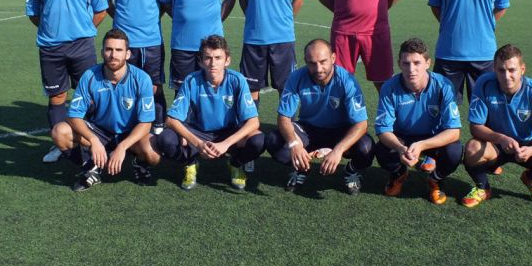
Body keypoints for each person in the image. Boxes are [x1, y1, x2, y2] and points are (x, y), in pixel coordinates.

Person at [25, 0, 108, 163]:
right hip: (51, 48)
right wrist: (52, 30)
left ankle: (93, 143)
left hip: (82, 46)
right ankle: (60, 144)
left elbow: (101, 9)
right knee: (57, 97)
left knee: (89, 97)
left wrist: (83, 29)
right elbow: (34, 14)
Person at [461, 44, 532, 208]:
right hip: (496, 145)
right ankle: (483, 188)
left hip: (528, 144)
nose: (506, 76)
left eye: (512, 70)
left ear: (522, 69)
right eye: (501, 70)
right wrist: (501, 138)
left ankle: (531, 177)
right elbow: (475, 127)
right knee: (472, 148)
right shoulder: (484, 84)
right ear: (494, 69)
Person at [50, 29, 160, 191]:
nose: (113, 55)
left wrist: (122, 147)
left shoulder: (141, 79)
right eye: (109, 49)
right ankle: (91, 168)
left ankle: (139, 164)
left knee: (153, 153)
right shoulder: (89, 76)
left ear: (127, 54)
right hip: (99, 131)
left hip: (129, 133)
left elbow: (146, 123)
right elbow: (74, 116)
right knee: (60, 132)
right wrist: (93, 140)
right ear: (102, 52)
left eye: (118, 50)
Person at [153, 35, 265, 191]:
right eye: (208, 58)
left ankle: (235, 163)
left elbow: (253, 122)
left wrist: (225, 144)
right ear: (200, 61)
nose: (213, 63)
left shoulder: (237, 80)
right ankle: (190, 163)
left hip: (228, 132)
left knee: (259, 140)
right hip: (198, 132)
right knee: (165, 138)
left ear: (227, 60)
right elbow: (171, 120)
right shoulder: (192, 80)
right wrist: (198, 144)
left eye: (218, 58)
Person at [265, 39, 374, 195]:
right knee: (274, 140)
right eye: (312, 63)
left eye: (323, 62)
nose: (318, 69)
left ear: (333, 58)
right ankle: (302, 168)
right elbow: (283, 118)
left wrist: (338, 150)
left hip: (340, 130)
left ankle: (351, 171)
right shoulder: (296, 77)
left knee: (366, 148)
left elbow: (361, 124)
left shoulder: (347, 80)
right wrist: (294, 144)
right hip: (309, 130)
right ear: (305, 61)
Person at [373, 38, 463, 204]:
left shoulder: (443, 85)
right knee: (382, 149)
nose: (411, 69)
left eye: (417, 63)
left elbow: (454, 131)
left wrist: (422, 145)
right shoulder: (389, 87)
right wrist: (399, 148)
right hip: (403, 138)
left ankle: (436, 180)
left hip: (433, 138)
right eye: (406, 63)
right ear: (399, 64)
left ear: (428, 63)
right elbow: (382, 129)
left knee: (454, 151)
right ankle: (399, 174)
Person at [103, 0, 167, 131]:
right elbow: (106, 2)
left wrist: (151, 17)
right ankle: (128, 126)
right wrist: (121, 18)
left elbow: (164, 1)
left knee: (154, 86)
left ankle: (158, 125)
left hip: (151, 40)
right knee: (124, 85)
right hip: (124, 43)